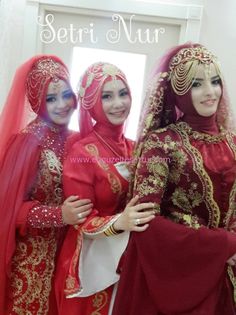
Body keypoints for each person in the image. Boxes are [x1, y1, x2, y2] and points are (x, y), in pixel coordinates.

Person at [112, 43, 236, 315]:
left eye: (215, 81)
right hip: (183, 277)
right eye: (196, 83)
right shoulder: (161, 143)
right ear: (178, 91)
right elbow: (146, 220)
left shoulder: (233, 142)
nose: (210, 91)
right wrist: (223, 245)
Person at [55, 62, 155, 315]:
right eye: (107, 96)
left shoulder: (135, 147)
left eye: (123, 93)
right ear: (90, 102)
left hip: (126, 258)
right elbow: (80, 220)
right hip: (91, 261)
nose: (119, 103)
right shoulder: (81, 153)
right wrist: (121, 221)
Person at [0, 55, 93, 315]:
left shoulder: (77, 140)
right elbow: (9, 211)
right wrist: (58, 214)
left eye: (66, 95)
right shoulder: (27, 143)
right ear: (37, 103)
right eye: (51, 99)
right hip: (33, 264)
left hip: (68, 260)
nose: (62, 105)